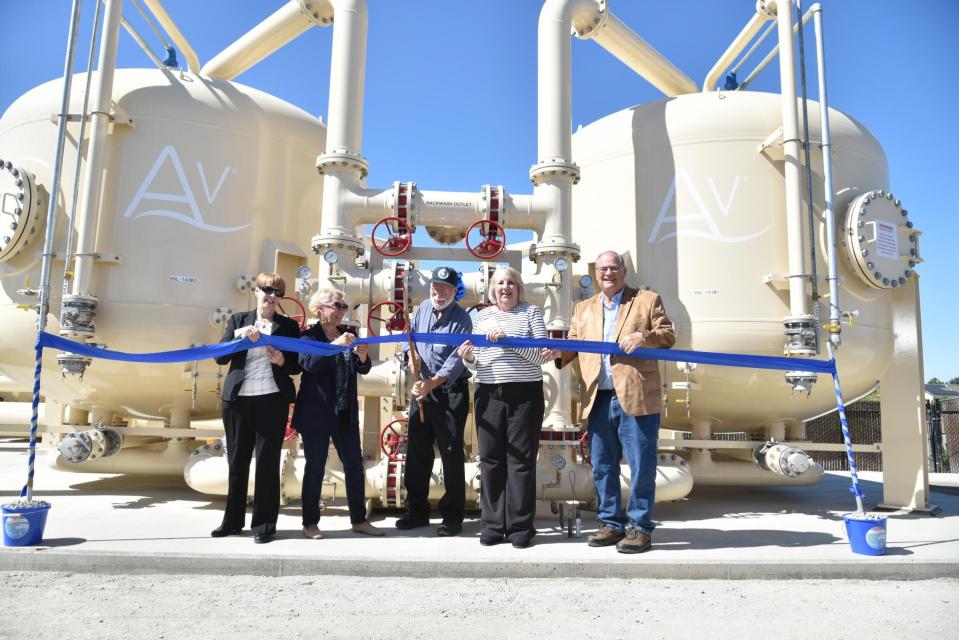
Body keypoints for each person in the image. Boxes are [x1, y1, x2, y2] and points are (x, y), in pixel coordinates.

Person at [551, 251, 675, 554]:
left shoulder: (647, 300)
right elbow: (575, 343)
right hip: (598, 397)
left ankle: (640, 528)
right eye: (603, 269)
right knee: (603, 466)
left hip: (636, 396)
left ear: (623, 270)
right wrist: (555, 351)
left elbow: (668, 334)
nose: (608, 273)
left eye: (613, 268)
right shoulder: (583, 308)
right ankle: (610, 523)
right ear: (596, 274)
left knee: (641, 465)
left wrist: (643, 337)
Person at [456, 266, 551, 549]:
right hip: (488, 393)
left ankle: (521, 527)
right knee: (491, 461)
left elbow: (539, 356)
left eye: (511, 283)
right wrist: (469, 358)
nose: (505, 288)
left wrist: (508, 342)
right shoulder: (482, 317)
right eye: (500, 283)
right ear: (492, 289)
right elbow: (476, 363)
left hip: (525, 394)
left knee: (520, 461)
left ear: (519, 288)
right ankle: (493, 525)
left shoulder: (531, 313)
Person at [212, 273, 301, 544]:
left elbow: (296, 366)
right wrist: (241, 337)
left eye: (276, 291)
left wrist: (282, 360)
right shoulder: (238, 321)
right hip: (238, 400)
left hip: (271, 401)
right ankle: (232, 521)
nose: (270, 294)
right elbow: (220, 356)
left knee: (266, 463)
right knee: (237, 462)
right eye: (266, 289)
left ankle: (264, 525)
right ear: (256, 292)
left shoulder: (287, 327)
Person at [292, 287, 383, 539]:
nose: (342, 311)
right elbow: (309, 364)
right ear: (320, 308)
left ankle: (359, 520)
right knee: (315, 467)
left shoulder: (348, 334)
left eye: (344, 307)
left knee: (354, 465)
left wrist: (363, 358)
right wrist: (334, 346)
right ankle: (310, 523)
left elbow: (360, 369)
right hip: (316, 414)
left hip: (344, 412)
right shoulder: (308, 337)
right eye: (337, 305)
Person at [395, 266, 472, 536]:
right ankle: (416, 511)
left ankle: (453, 517)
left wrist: (431, 383)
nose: (439, 294)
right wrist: (409, 355)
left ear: (455, 291)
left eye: (446, 289)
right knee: (416, 451)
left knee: (451, 453)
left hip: (449, 392)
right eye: (436, 288)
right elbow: (409, 338)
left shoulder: (463, 319)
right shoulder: (424, 307)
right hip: (422, 389)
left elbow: (455, 362)